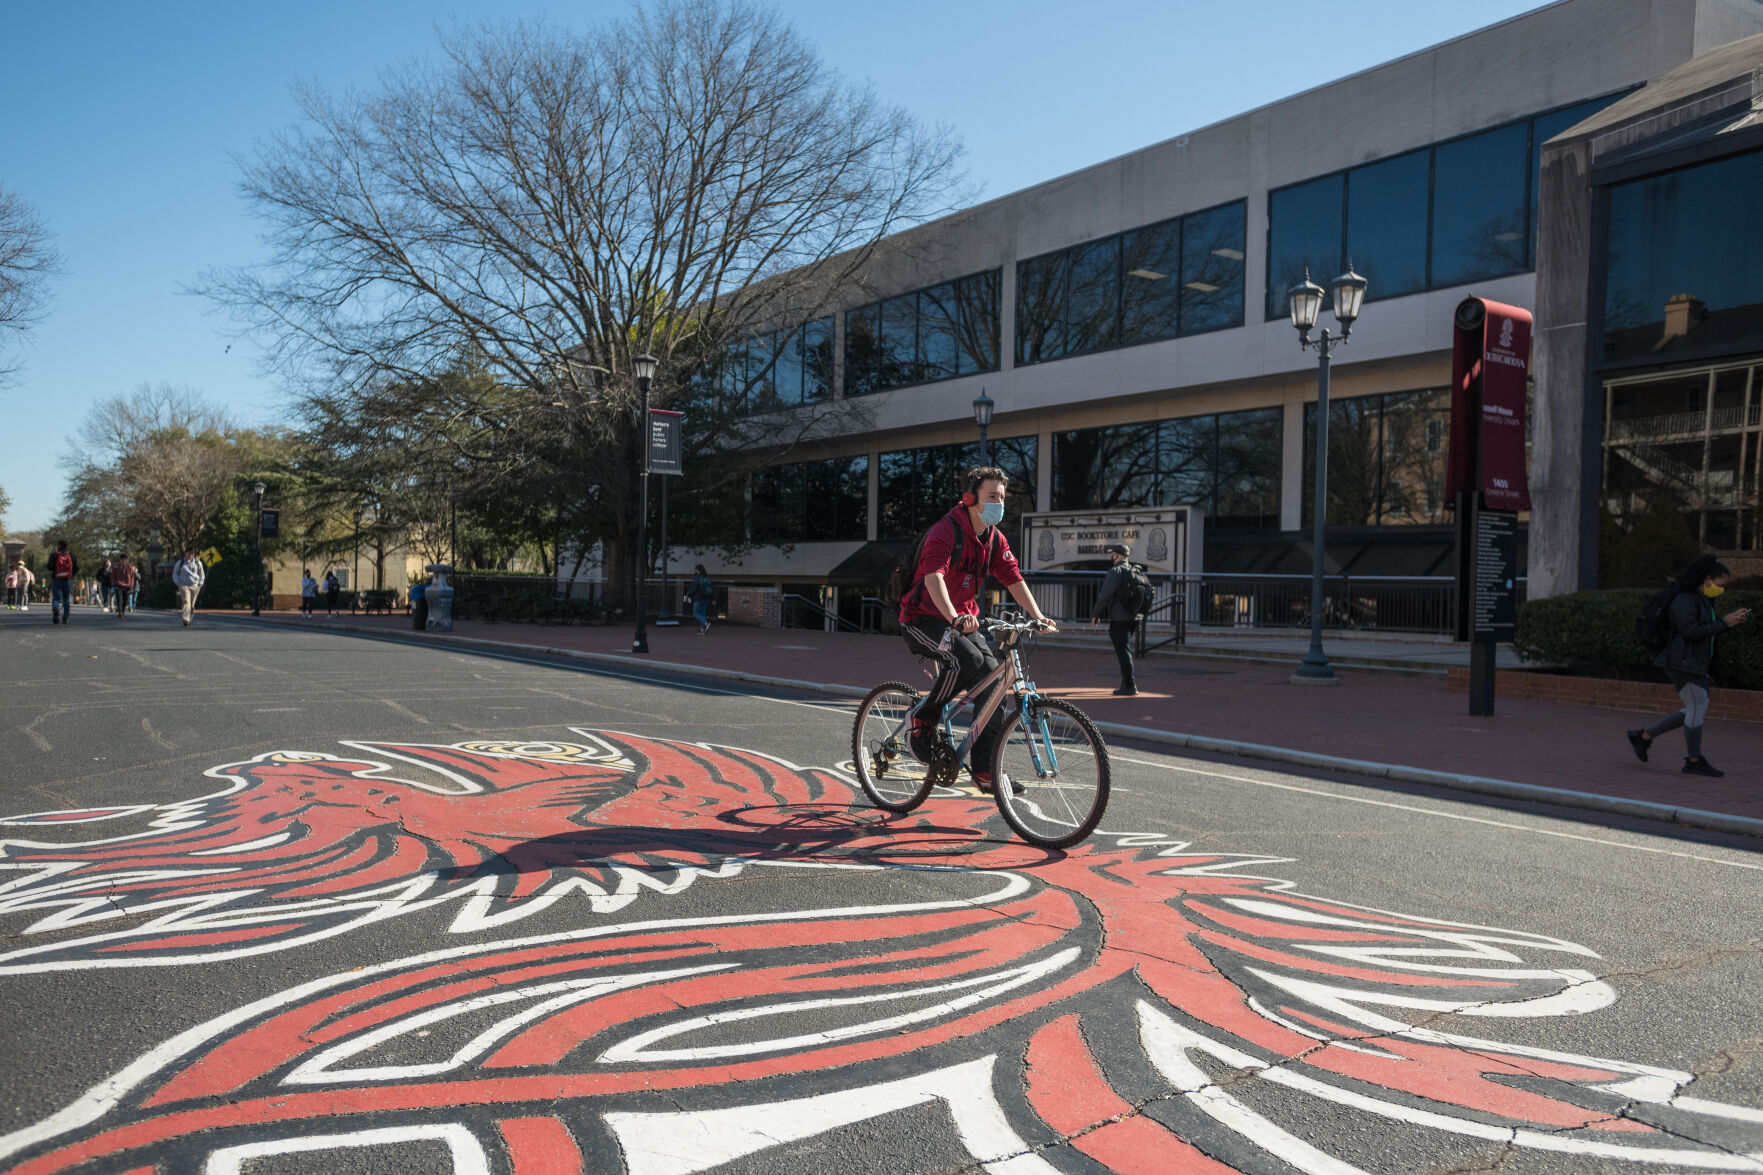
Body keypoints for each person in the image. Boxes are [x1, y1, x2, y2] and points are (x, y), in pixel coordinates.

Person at [899, 466, 1057, 794]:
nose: (999, 503)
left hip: (963, 622)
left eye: (1002, 497)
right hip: (923, 618)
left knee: (995, 681)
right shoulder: (946, 530)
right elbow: (933, 578)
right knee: (967, 661)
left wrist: (1039, 616)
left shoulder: (994, 539)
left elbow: (1013, 577)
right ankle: (922, 719)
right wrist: (955, 616)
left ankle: (984, 770)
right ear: (971, 498)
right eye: (991, 497)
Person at [1627, 554, 1752, 777]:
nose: (1721, 589)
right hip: (1682, 661)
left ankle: (1643, 738)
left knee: (1694, 708)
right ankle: (1693, 760)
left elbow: (1704, 628)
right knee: (1696, 708)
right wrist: (1724, 623)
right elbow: (1690, 631)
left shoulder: (1701, 599)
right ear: (1706, 578)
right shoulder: (1685, 600)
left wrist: (1728, 620)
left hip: (1692, 661)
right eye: (1719, 584)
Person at [1090, 542, 1142, 696]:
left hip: (1120, 618)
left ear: (1117, 555)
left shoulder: (1115, 571)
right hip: (1134, 617)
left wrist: (1096, 614)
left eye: (1113, 554)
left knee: (1123, 651)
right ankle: (1127, 683)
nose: (1111, 556)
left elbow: (1105, 595)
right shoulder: (1135, 570)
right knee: (1125, 650)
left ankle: (1130, 685)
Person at [172, 549, 206, 627]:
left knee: (192, 604)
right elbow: (175, 574)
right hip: (184, 585)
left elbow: (202, 574)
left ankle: (189, 618)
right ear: (185, 554)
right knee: (186, 601)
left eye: (192, 554)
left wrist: (200, 583)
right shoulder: (180, 563)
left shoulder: (198, 563)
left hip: (195, 585)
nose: (190, 555)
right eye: (189, 553)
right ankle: (185, 619)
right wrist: (178, 583)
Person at [47, 540, 78, 625]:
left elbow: (49, 567)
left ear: (59, 546)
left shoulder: (54, 555)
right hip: (68, 579)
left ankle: (56, 610)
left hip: (57, 579)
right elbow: (76, 567)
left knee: (56, 598)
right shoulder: (71, 555)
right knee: (66, 598)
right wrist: (71, 575)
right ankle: (65, 617)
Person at [686, 564, 713, 634]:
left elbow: (692, 588)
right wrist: (712, 598)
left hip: (698, 598)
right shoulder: (706, 577)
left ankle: (706, 624)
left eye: (695, 569)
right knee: (702, 614)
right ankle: (702, 629)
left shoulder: (696, 577)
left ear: (697, 569)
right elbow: (710, 588)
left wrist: (688, 595)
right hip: (706, 598)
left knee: (696, 614)